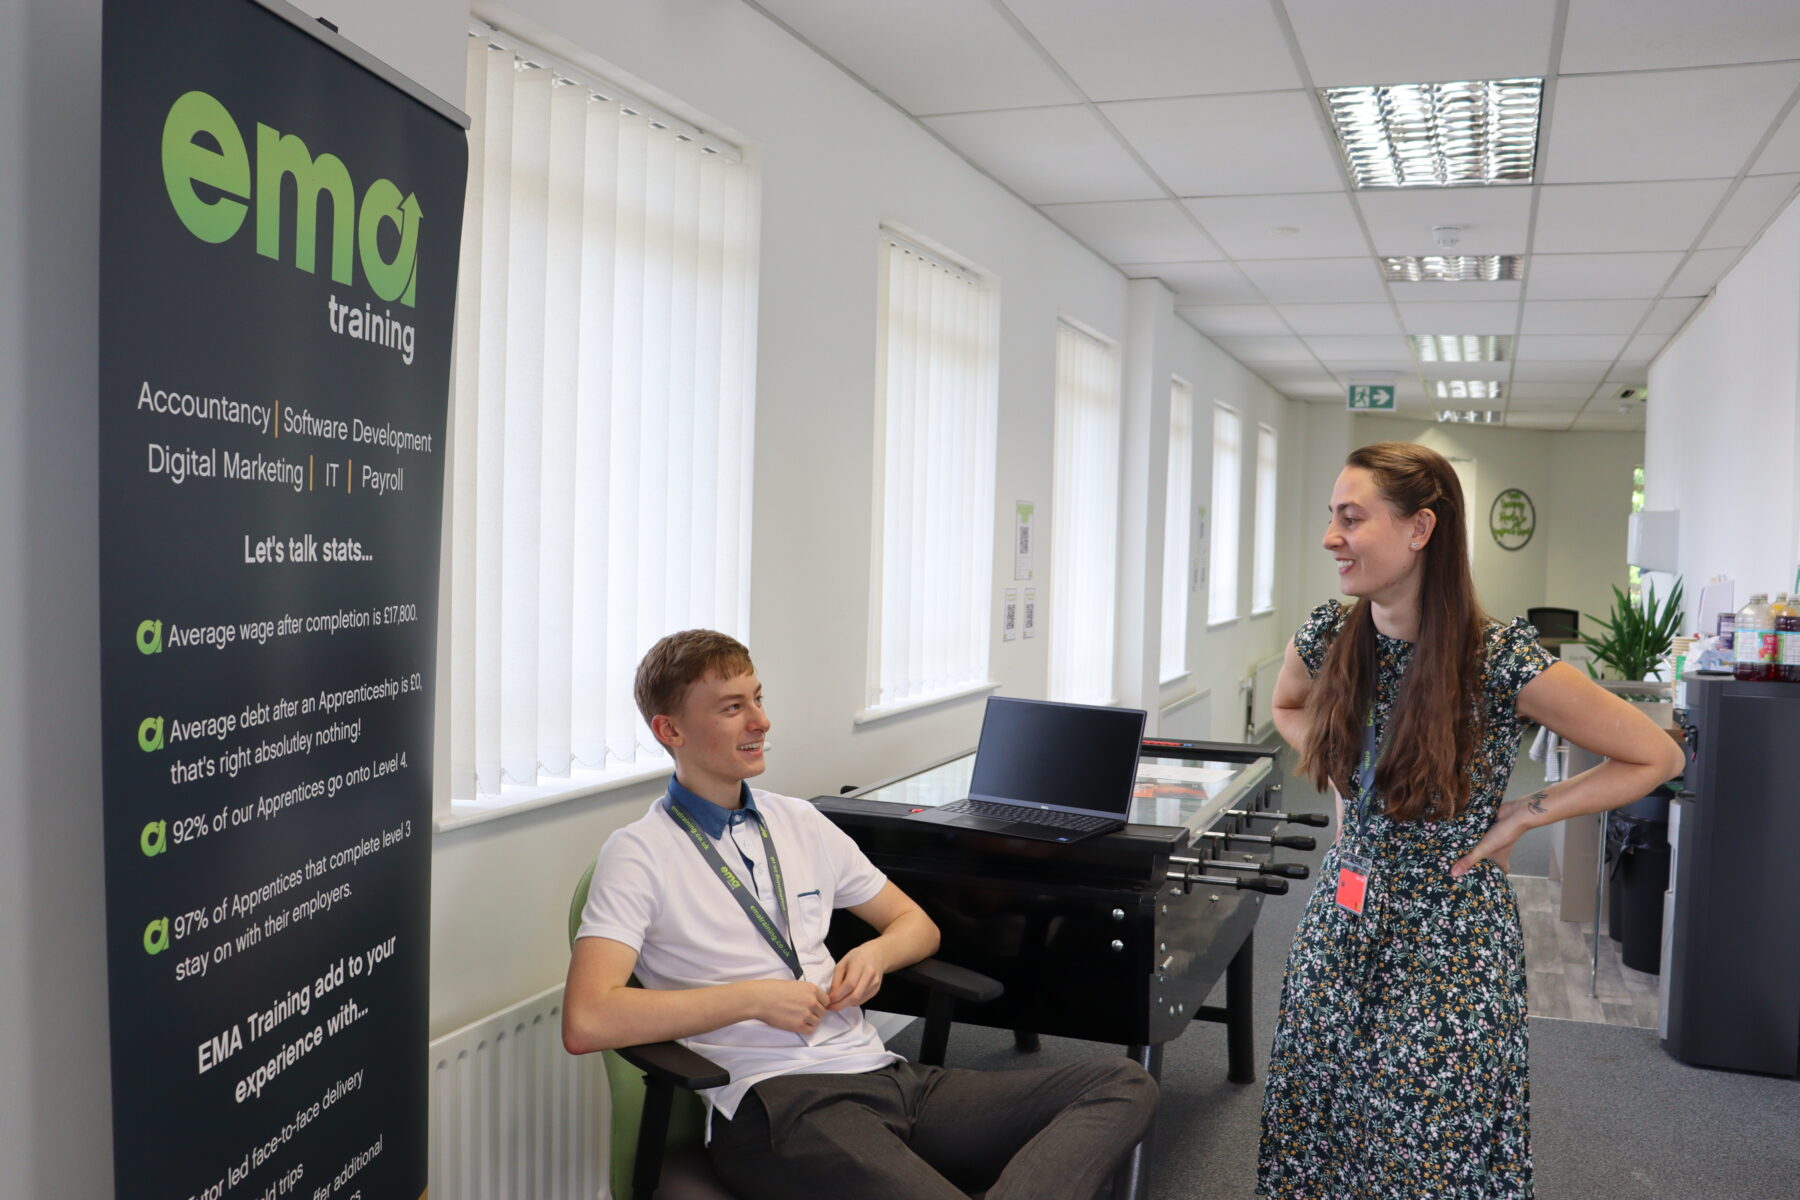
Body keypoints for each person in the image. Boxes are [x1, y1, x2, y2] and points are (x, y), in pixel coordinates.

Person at [564, 629, 1157, 1200]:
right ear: (671, 730)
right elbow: (588, 1018)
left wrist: (875, 953)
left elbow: (917, 927)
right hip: (781, 1108)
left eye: (759, 698)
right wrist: (751, 998)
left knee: (1122, 1083)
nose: (761, 721)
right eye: (731, 707)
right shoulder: (638, 853)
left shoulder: (799, 821)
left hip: (890, 1078)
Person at [1255, 443, 1685, 1199]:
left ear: (1421, 529)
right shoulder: (1331, 631)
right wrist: (1334, 763)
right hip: (1340, 924)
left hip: (1449, 941)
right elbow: (1286, 705)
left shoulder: (1497, 658)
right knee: (1318, 1130)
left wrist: (1526, 812)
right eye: (1331, 517)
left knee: (1428, 1152)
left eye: (1351, 519)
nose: (1330, 537)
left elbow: (1654, 756)